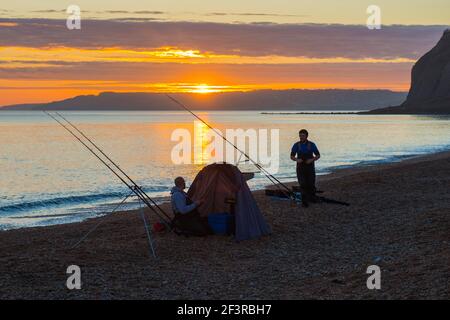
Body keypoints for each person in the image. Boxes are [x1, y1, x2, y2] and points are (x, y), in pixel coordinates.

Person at [290, 129, 321, 207]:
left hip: (310, 167)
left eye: (303, 136)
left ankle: (312, 198)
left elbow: (318, 155)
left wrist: (312, 159)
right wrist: (297, 159)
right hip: (300, 167)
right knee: (302, 184)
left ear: (307, 136)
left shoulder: (312, 144)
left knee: (311, 183)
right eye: (300, 136)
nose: (301, 137)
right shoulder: (296, 145)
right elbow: (292, 156)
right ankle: (304, 201)